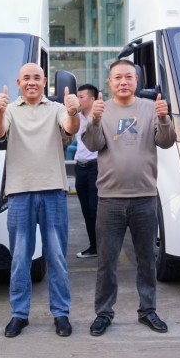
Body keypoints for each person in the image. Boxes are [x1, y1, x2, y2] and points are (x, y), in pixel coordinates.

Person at [82, 59, 176, 337]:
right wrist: (94, 120)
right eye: (118, 77)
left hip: (145, 197)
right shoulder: (101, 109)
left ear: (136, 81)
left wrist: (164, 118)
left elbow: (166, 141)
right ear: (109, 82)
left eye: (129, 77)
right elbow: (92, 144)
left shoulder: (151, 108)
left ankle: (148, 310)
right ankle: (103, 313)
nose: (123, 81)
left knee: (146, 260)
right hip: (110, 199)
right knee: (106, 262)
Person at [0, 63, 80, 338]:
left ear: (44, 82)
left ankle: (61, 313)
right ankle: (19, 314)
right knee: (20, 258)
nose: (31, 82)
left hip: (53, 190)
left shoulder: (56, 108)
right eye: (26, 78)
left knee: (57, 257)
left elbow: (70, 126)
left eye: (37, 78)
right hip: (20, 192)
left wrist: (73, 112)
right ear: (18, 83)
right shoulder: (9, 110)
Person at [74, 84, 99, 259]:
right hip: (80, 167)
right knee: (86, 210)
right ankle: (93, 246)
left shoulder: (101, 116)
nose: (78, 100)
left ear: (92, 99)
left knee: (95, 208)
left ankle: (103, 246)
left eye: (81, 97)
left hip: (96, 167)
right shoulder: (76, 117)